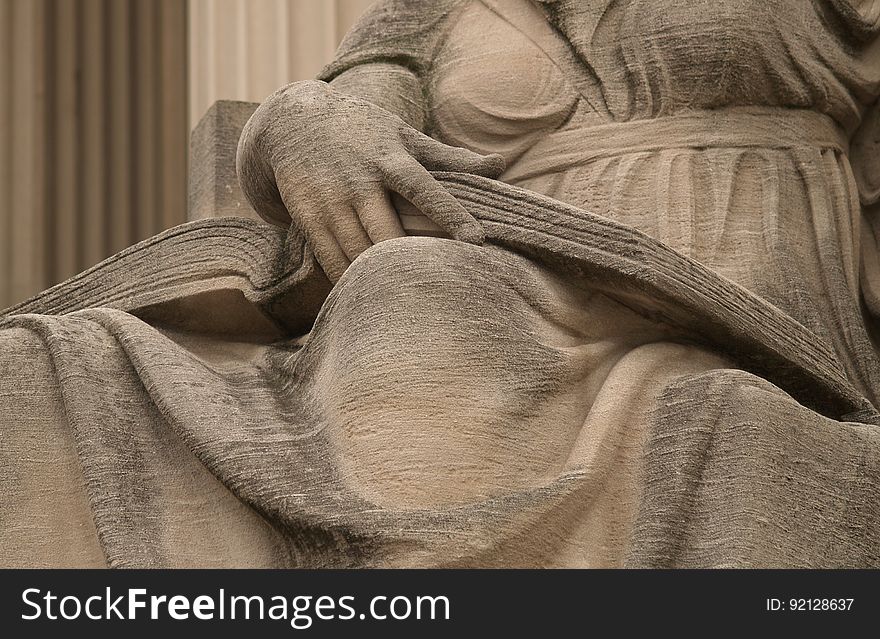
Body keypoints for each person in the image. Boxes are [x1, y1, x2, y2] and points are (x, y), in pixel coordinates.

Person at [2, 0, 880, 567]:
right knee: (45, 371)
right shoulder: (423, 11)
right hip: (482, 269)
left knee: (423, 295)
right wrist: (309, 123)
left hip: (711, 289)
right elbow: (354, 99)